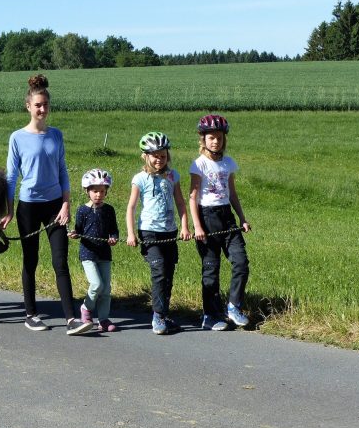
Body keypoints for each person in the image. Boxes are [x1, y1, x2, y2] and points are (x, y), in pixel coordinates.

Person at [1, 74, 93, 336]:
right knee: (30, 261)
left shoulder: (56, 135)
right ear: (28, 106)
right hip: (28, 206)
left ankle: (71, 319)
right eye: (37, 105)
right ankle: (31, 314)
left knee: (60, 262)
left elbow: (63, 171)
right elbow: (11, 176)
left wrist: (66, 205)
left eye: (45, 105)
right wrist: (9, 209)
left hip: (55, 206)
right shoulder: (17, 137)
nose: (42, 109)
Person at [188, 114, 251, 331]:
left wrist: (242, 218)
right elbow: (193, 197)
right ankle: (210, 315)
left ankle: (233, 306)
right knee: (211, 268)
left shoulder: (228, 163)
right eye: (211, 137)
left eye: (219, 138)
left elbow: (232, 193)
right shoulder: (199, 164)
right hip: (206, 216)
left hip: (227, 217)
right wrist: (196, 225)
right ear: (203, 139)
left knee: (241, 262)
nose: (216, 141)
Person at [126, 132, 192, 335]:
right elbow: (131, 207)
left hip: (169, 232)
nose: (159, 159)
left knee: (169, 275)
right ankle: (157, 316)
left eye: (162, 156)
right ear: (145, 156)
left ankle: (164, 314)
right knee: (159, 272)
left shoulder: (173, 176)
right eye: (154, 155)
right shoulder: (140, 179)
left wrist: (185, 227)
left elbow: (180, 203)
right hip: (149, 232)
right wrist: (130, 233)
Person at [68, 169, 119, 332]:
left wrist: (114, 238)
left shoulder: (109, 210)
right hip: (88, 253)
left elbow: (114, 230)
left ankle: (103, 319)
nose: (99, 194)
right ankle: (86, 308)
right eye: (95, 191)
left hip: (104, 253)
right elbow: (78, 230)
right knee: (96, 284)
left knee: (106, 289)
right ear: (87, 191)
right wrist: (74, 234)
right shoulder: (82, 210)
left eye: (102, 191)